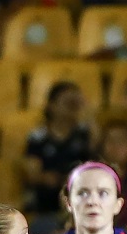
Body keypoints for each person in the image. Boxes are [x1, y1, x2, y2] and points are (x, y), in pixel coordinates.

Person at [23, 82, 92, 222]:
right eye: (66, 102)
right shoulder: (38, 138)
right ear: (51, 106)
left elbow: (99, 158)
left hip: (81, 205)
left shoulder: (85, 134)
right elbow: (32, 174)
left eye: (74, 103)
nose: (71, 107)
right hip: (47, 207)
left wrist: (88, 115)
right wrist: (47, 178)